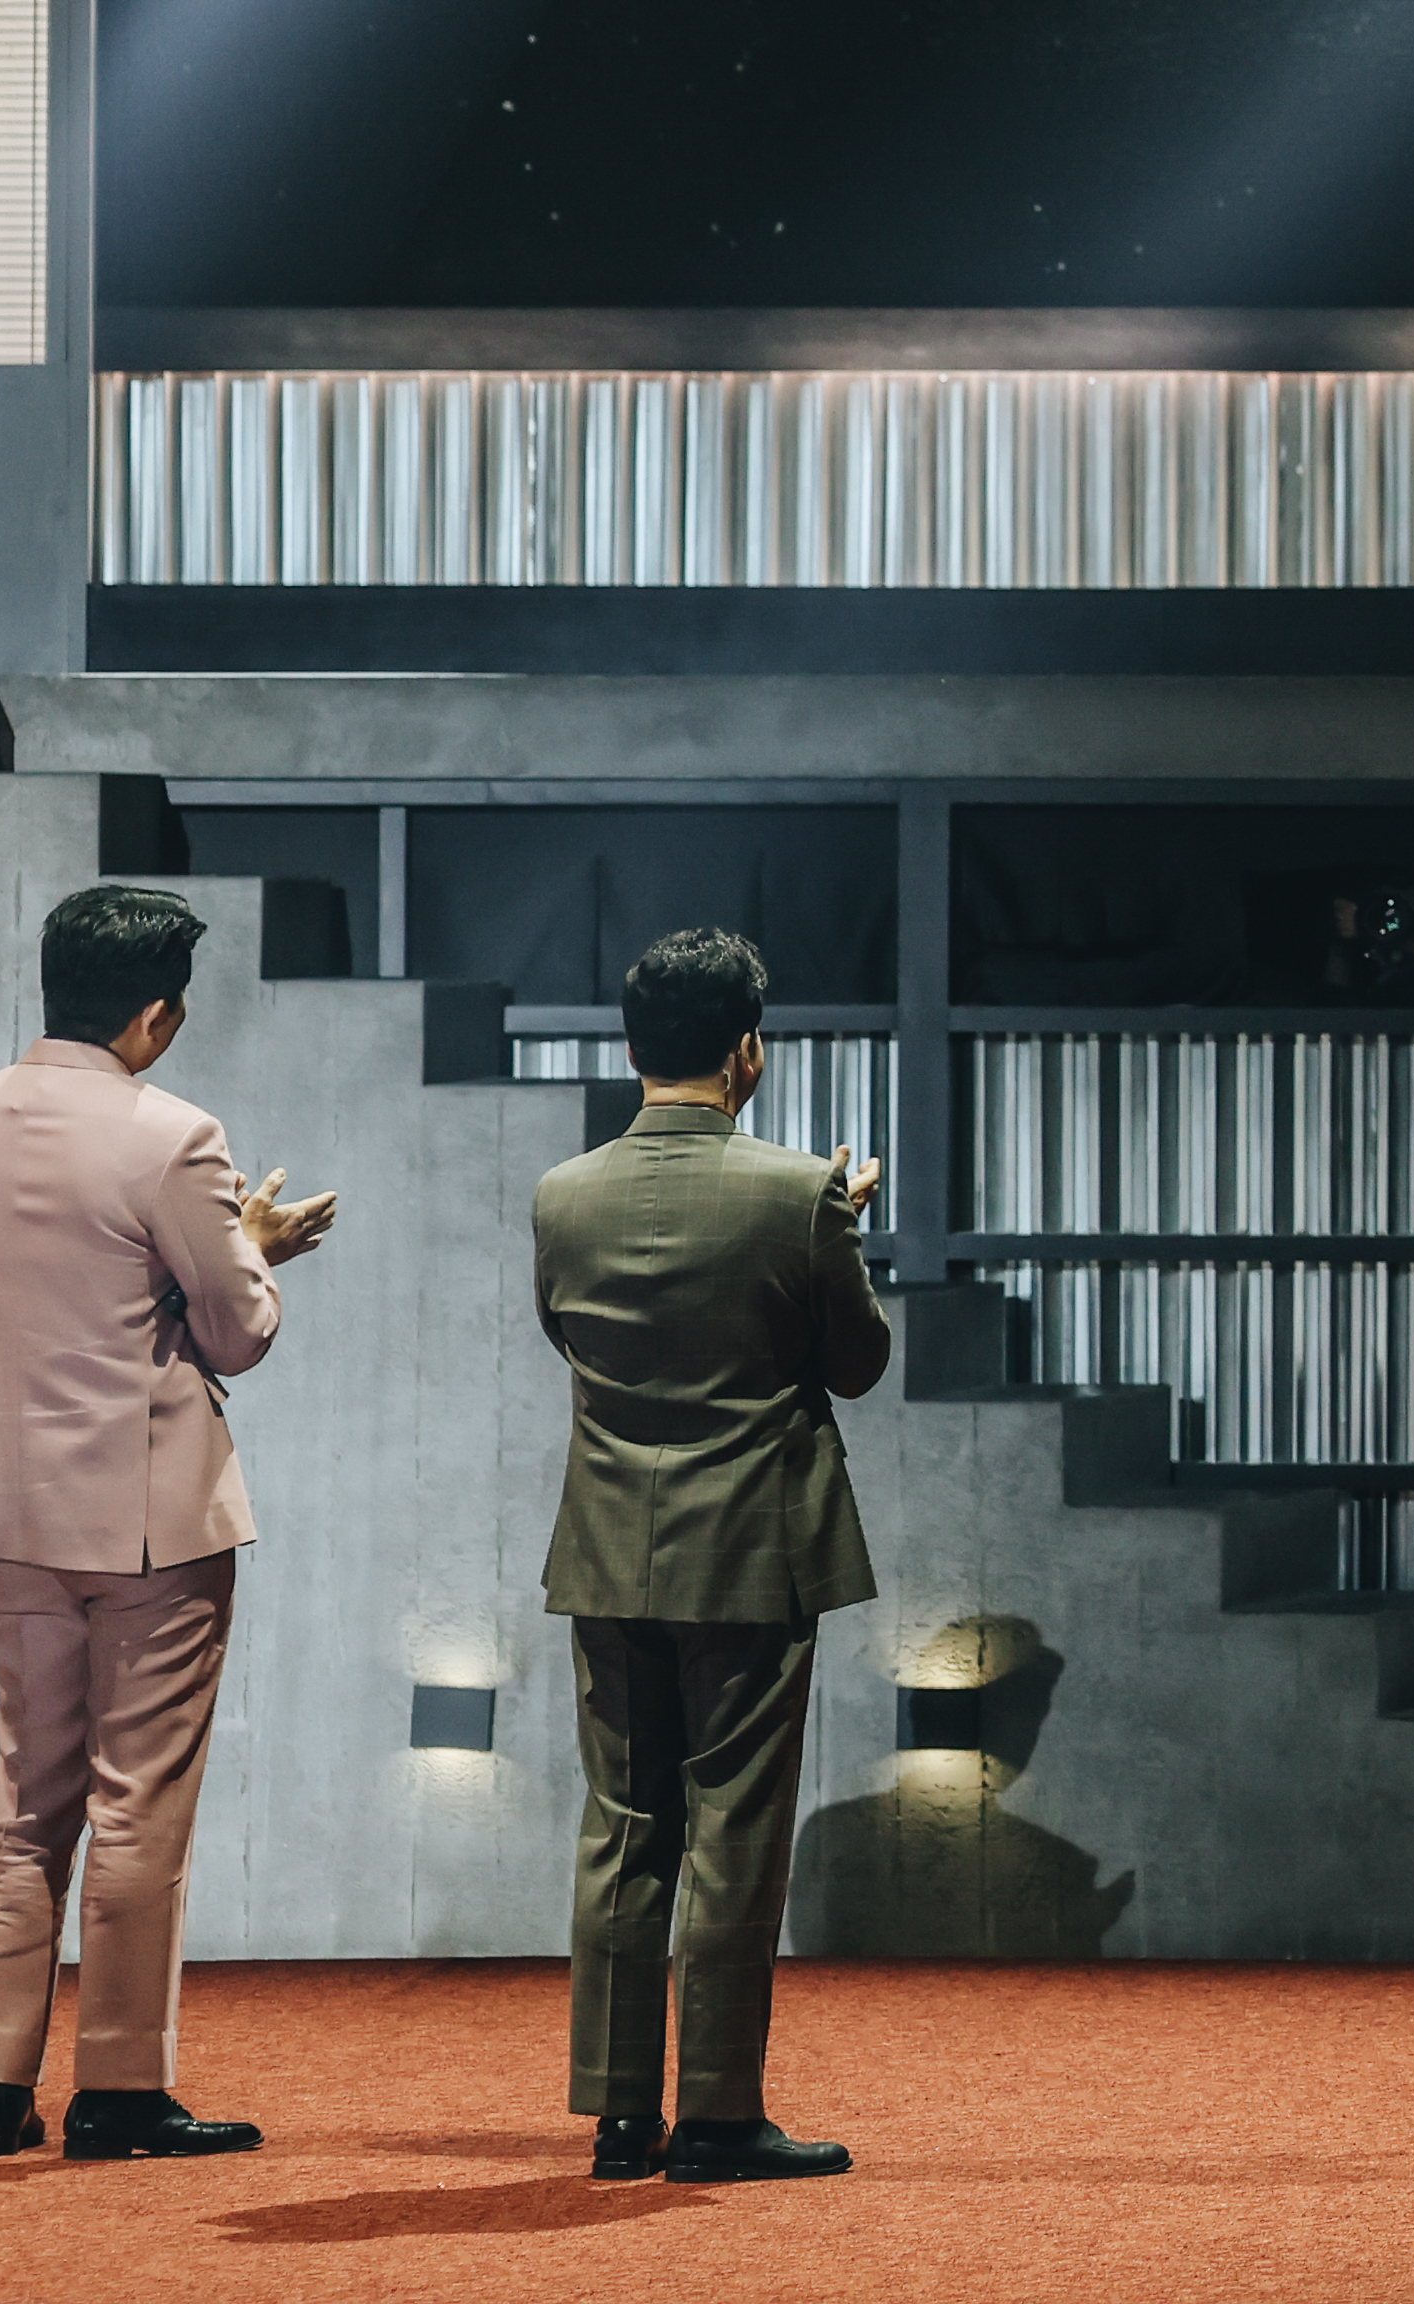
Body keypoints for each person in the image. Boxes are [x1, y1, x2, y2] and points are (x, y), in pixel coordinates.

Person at [0, 882, 337, 2162]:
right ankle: (118, 2091)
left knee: (24, 1798)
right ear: (156, 1015)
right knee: (138, 1801)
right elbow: (236, 1331)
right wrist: (255, 1244)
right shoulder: (173, 1134)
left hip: (8, 1503)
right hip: (152, 1515)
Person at [534, 925, 892, 2188]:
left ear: (633, 1046)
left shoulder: (561, 1194)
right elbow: (856, 1362)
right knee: (734, 1830)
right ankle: (722, 2113)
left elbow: (567, 1337)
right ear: (749, 1050)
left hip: (607, 1553)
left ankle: (621, 2111)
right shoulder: (797, 1192)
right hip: (750, 1555)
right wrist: (842, 1227)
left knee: (623, 1824)